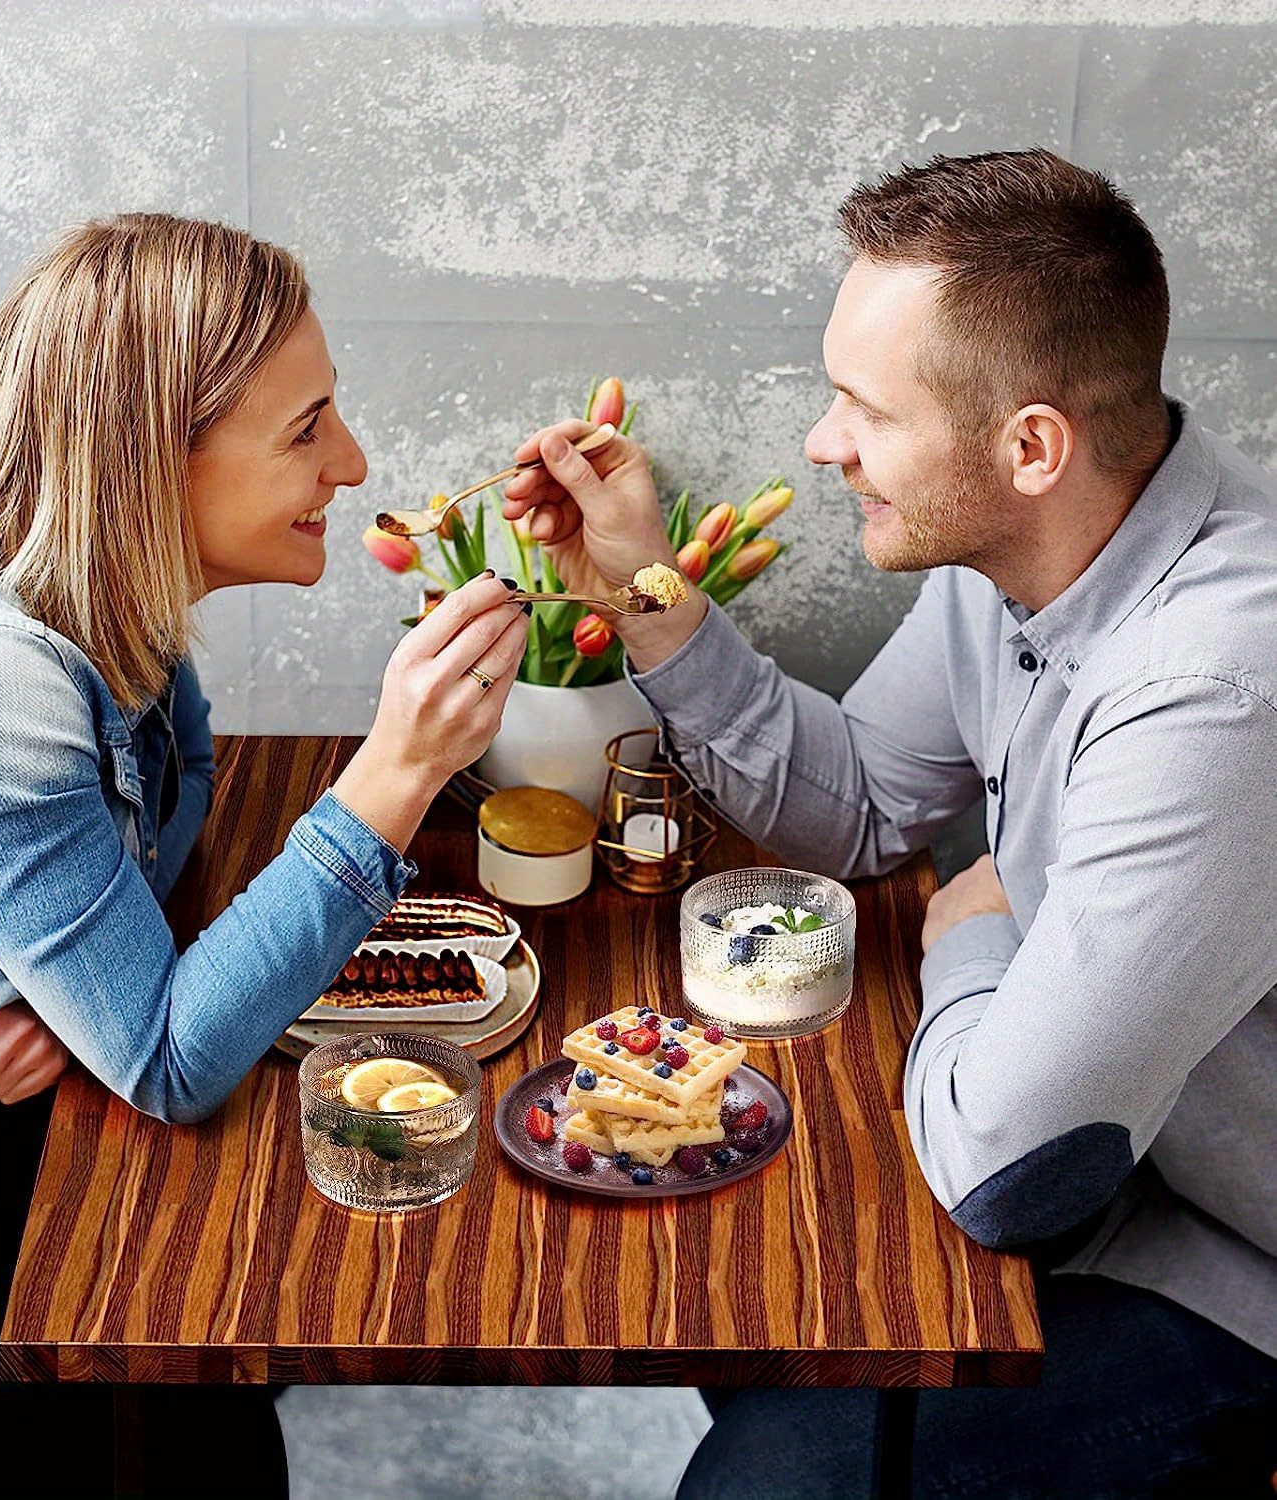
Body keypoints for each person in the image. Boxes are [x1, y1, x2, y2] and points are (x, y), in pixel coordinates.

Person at [501, 150, 1277, 1496]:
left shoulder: (1213, 690)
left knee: (769, 1482)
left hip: (1231, 1262)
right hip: (1124, 1171)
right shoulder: (1034, 548)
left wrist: (973, 928)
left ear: (1030, 445)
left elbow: (1007, 1174)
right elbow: (858, 808)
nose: (821, 441)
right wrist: (645, 591)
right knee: (727, 1277)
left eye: (866, 407)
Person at [0, 213, 528, 1495]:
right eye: (305, 430)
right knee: (198, 1432)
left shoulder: (65, 537)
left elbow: (174, 805)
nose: (349, 463)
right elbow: (173, 1060)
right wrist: (396, 772)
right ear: (147, 459)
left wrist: (64, 1003)